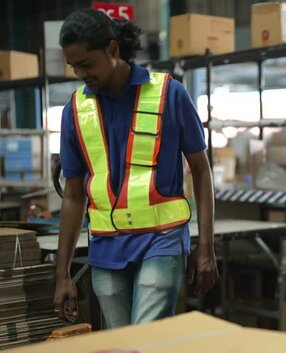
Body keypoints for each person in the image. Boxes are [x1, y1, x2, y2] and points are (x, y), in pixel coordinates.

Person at [53, 8, 217, 328]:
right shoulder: (75, 110)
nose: (80, 74)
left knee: (144, 340)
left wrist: (206, 247)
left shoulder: (169, 94)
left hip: (162, 239)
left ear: (113, 50)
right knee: (121, 343)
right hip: (105, 248)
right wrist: (63, 274)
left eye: (86, 64)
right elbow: (73, 196)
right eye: (74, 67)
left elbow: (201, 170)